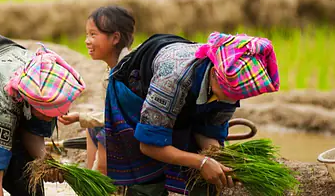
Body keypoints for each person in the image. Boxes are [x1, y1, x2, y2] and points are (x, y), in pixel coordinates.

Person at [103, 31, 279, 195]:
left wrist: (220, 160)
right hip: (137, 94)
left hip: (181, 98)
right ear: (213, 73)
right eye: (226, 94)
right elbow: (148, 145)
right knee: (148, 180)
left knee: (206, 180)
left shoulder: (229, 89)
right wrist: (201, 162)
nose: (227, 100)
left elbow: (207, 132)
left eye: (235, 97)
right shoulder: (173, 78)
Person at [0, 32, 87, 196]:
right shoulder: (1, 98)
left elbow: (32, 132)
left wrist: (46, 162)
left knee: (31, 186)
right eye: (46, 114)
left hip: (13, 87)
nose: (49, 118)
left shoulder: (46, 84)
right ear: (32, 103)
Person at [58, 6, 136, 175]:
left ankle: (98, 175)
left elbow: (123, 118)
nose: (87, 41)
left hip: (134, 135)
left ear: (115, 38)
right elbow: (112, 115)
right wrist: (81, 118)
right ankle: (94, 177)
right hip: (123, 130)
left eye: (93, 35)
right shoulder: (111, 71)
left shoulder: (128, 73)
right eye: (87, 35)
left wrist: (81, 117)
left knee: (104, 135)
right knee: (92, 129)